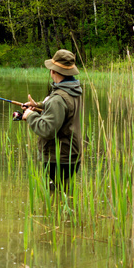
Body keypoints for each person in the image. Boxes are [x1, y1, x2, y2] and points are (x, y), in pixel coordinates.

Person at [20, 49, 83, 193]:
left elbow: (47, 129)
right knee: (66, 195)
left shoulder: (58, 99)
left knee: (56, 198)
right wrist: (39, 106)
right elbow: (66, 112)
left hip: (58, 157)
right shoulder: (75, 91)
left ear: (54, 71)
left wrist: (30, 115)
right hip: (72, 153)